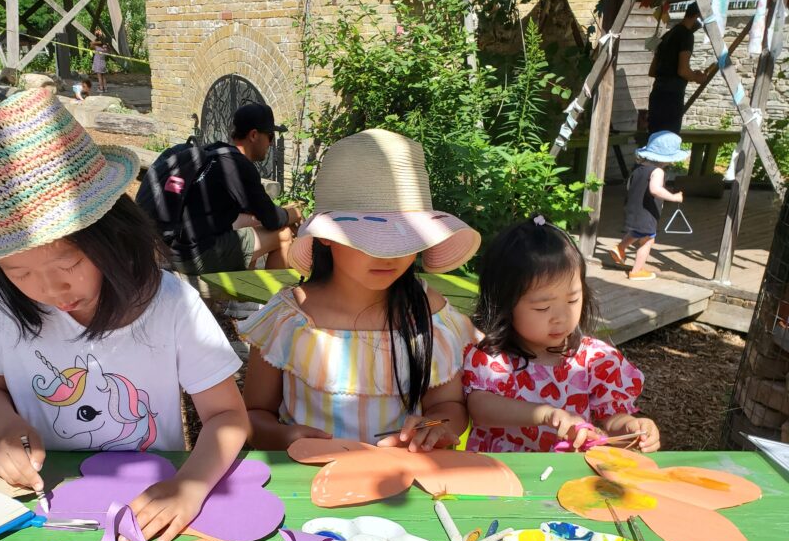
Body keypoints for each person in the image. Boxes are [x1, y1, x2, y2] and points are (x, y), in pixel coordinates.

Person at [0, 88, 250, 541]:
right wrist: (5, 429)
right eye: (19, 271)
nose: (49, 290)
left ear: (114, 234)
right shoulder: (0, 301)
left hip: (154, 499)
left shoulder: (170, 304)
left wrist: (191, 484)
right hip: (48, 502)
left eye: (68, 265)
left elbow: (227, 415)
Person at [239, 128, 481, 450]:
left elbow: (449, 406)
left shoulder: (428, 313)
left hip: (403, 481)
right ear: (326, 235)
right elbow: (254, 415)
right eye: (369, 240)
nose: (388, 254)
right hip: (309, 479)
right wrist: (285, 436)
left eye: (404, 240)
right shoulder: (289, 317)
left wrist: (433, 427)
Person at [463, 216, 660, 454]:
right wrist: (545, 414)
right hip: (502, 475)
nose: (561, 317)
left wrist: (633, 427)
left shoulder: (595, 359)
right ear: (504, 303)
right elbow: (481, 409)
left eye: (573, 300)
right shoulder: (492, 358)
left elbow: (613, 418)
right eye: (542, 308)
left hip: (569, 476)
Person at [136, 102, 303, 275]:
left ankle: (242, 294)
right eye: (270, 136)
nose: (270, 143)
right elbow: (272, 219)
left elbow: (256, 214)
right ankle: (271, 299)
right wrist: (295, 213)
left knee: (251, 223)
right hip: (194, 256)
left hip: (174, 247)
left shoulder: (215, 151)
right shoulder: (240, 167)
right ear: (254, 135)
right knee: (283, 234)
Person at [611, 131, 688, 281]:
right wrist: (673, 197)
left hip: (634, 208)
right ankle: (637, 270)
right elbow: (655, 189)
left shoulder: (638, 168)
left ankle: (619, 248)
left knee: (637, 231)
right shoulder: (658, 171)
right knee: (648, 239)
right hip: (646, 210)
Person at [647, 2, 712, 135]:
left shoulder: (667, 35)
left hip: (657, 94)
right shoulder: (686, 35)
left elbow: (653, 71)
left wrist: (691, 73)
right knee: (668, 140)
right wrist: (698, 78)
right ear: (698, 15)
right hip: (671, 98)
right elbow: (682, 70)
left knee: (654, 140)